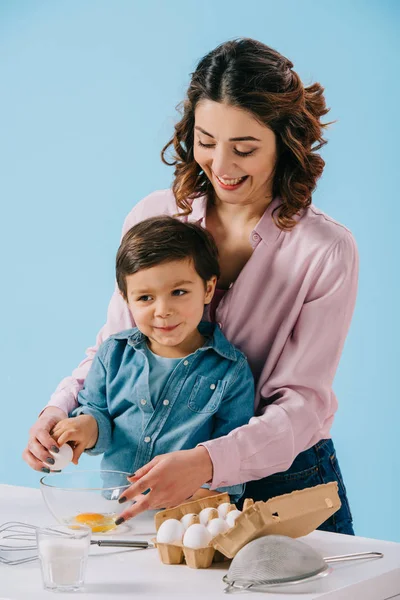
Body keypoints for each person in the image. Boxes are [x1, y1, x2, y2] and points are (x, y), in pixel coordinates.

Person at [24, 38, 358, 534]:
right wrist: (59, 411)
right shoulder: (155, 216)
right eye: (206, 141)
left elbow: (302, 404)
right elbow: (117, 345)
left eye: (244, 148)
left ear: (285, 141)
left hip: (283, 483)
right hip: (153, 485)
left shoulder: (324, 250)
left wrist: (206, 462)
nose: (221, 166)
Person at [49, 216, 254, 504]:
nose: (163, 310)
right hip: (116, 509)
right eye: (145, 297)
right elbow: (98, 414)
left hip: (187, 514)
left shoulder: (231, 371)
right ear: (126, 299)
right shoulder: (113, 353)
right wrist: (86, 427)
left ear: (208, 289)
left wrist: (203, 503)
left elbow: (229, 452)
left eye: (179, 292)